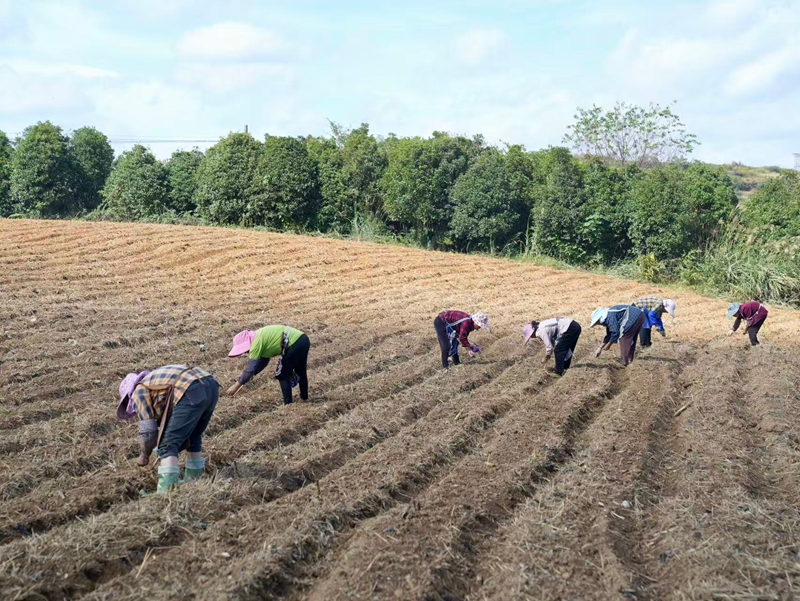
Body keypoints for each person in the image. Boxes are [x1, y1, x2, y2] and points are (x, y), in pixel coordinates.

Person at [117, 365, 219, 493]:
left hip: (190, 388)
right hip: (209, 384)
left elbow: (148, 431)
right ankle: (194, 479)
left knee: (168, 444)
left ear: (128, 396)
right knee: (192, 436)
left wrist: (145, 454)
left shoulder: (138, 392)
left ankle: (167, 491)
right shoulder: (152, 382)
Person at [227, 325, 310, 404]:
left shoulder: (255, 344)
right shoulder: (258, 337)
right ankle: (304, 398)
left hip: (295, 343)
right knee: (300, 371)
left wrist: (236, 386)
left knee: (283, 374)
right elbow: (263, 362)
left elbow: (250, 369)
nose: (245, 352)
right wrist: (251, 375)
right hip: (302, 340)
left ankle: (288, 405)